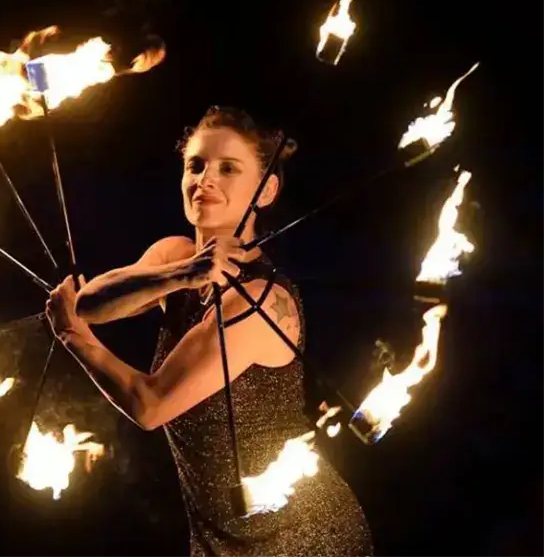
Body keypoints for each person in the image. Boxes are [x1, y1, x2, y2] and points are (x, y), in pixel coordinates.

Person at [45, 106, 373, 556]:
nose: (205, 179)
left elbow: (150, 404)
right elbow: (91, 304)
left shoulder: (258, 300)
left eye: (228, 168)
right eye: (195, 165)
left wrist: (72, 338)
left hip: (300, 538)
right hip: (218, 534)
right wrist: (182, 275)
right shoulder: (174, 256)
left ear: (266, 190)